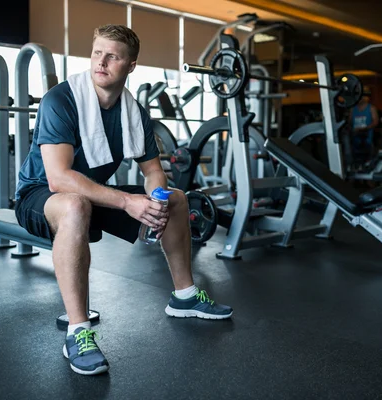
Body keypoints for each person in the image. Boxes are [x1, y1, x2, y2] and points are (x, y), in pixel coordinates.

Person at [14, 24, 233, 376]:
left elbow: (153, 171)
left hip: (91, 195)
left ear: (131, 65)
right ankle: (78, 332)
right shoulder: (62, 100)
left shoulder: (133, 113)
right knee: (74, 204)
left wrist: (157, 200)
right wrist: (128, 203)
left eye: (112, 56)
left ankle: (185, 295)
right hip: (41, 196)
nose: (101, 63)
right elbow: (58, 178)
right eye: (97, 53)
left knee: (177, 199)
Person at [347, 87, 379, 170]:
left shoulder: (371, 108)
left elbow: (375, 122)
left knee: (368, 163)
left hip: (367, 140)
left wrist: (364, 128)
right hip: (355, 140)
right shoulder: (353, 109)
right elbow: (349, 122)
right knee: (356, 163)